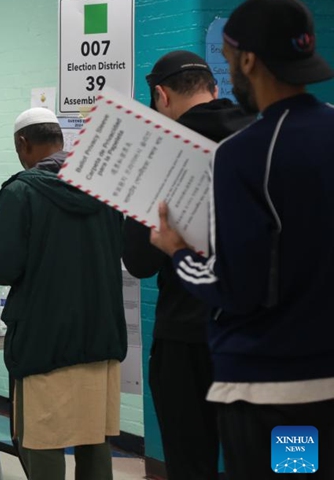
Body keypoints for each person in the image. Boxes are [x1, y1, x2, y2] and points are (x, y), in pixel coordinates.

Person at [149, 1, 334, 478]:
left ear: (248, 60)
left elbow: (235, 286)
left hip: (269, 392)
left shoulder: (245, 155)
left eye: (230, 59)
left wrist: (178, 252)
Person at [123, 51, 254, 480]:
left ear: (160, 96)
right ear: (214, 88)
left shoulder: (155, 158)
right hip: (257, 333)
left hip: (185, 335)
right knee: (270, 459)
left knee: (190, 461)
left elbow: (139, 262)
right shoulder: (261, 139)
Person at [0, 107, 127, 480]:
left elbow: (0, 268)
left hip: (43, 344)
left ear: (23, 143)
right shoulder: (106, 190)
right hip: (100, 338)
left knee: (42, 444)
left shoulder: (21, 192)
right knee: (95, 442)